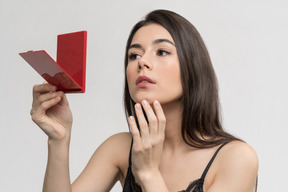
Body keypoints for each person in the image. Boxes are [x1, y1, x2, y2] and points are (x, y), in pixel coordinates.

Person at [30, 9, 258, 192]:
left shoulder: (236, 159)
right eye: (134, 55)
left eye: (162, 52)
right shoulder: (119, 148)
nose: (142, 62)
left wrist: (149, 174)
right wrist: (59, 140)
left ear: (192, 67)